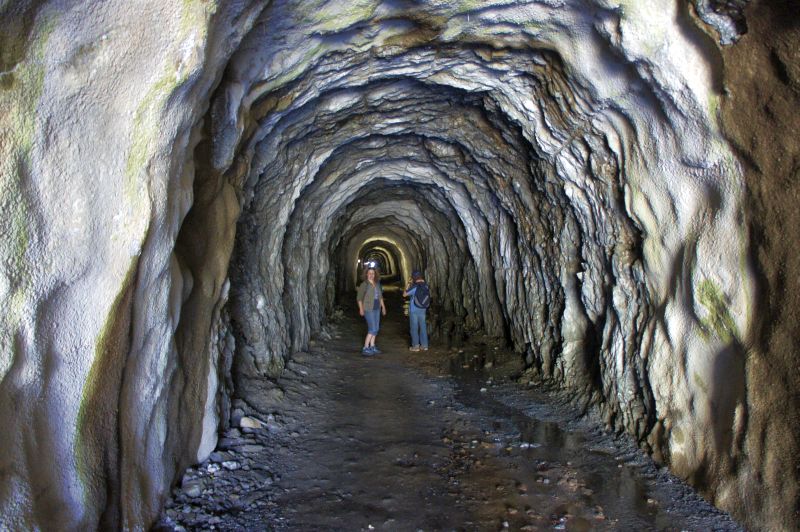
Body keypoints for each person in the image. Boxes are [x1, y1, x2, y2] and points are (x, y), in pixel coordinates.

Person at [357, 267, 386, 356]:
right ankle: (366, 347)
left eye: (373, 273)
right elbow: (359, 298)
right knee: (372, 328)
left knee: (376, 328)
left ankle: (372, 346)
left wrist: (383, 307)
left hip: (377, 308)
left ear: (375, 274)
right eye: (369, 273)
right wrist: (361, 309)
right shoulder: (364, 284)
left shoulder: (377, 284)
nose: (371, 275)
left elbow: (380, 296)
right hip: (368, 309)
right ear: (366, 274)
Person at [403, 270, 429, 352]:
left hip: (414, 310)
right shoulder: (426, 285)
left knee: (414, 328)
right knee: (423, 327)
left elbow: (404, 294)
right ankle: (424, 345)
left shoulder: (414, 287)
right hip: (423, 309)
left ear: (413, 277)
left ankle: (416, 346)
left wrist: (408, 284)